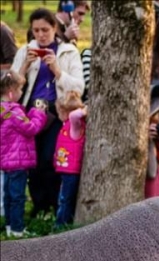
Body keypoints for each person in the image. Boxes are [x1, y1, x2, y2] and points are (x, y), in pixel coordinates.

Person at [10, 7, 84, 219]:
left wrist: (57, 70)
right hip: (30, 111)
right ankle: (38, 205)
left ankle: (51, 203)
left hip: (56, 112)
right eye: (36, 31)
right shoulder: (25, 51)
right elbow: (10, 86)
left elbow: (79, 87)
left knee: (49, 158)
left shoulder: (69, 52)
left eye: (45, 30)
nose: (41, 35)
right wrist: (24, 66)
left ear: (55, 29)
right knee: (31, 161)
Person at [0, 72, 48, 237]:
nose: (22, 93)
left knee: (8, 195)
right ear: (12, 93)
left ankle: (9, 225)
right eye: (21, 89)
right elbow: (31, 128)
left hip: (6, 162)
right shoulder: (14, 112)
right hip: (18, 162)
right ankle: (18, 229)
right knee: (18, 197)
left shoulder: (2, 110)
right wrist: (39, 113)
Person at [53, 90, 85, 228]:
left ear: (64, 111)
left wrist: (84, 109)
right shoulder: (66, 125)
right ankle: (63, 221)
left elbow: (74, 115)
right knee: (63, 198)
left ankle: (61, 224)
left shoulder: (74, 125)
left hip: (72, 172)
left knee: (65, 199)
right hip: (66, 171)